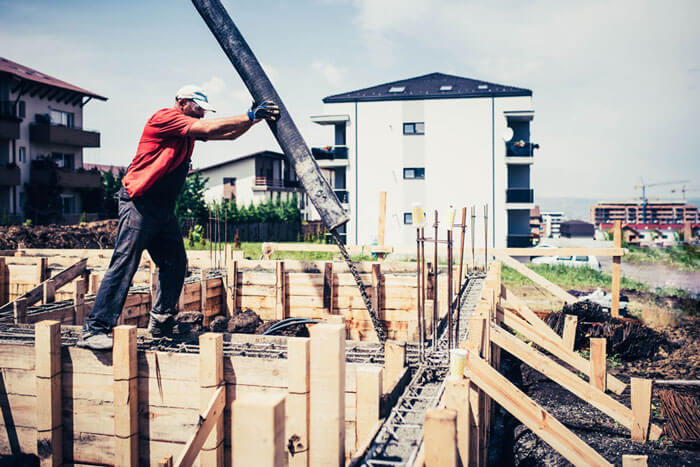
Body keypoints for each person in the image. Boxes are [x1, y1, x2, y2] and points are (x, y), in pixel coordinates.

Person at [78, 85, 279, 350]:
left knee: (175, 263)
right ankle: (95, 329)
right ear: (182, 103)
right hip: (139, 203)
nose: (202, 116)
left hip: (162, 209)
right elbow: (210, 129)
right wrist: (250, 115)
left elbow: (229, 136)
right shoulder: (165, 118)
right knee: (125, 262)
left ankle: (160, 319)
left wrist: (255, 119)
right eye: (198, 109)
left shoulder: (187, 132)